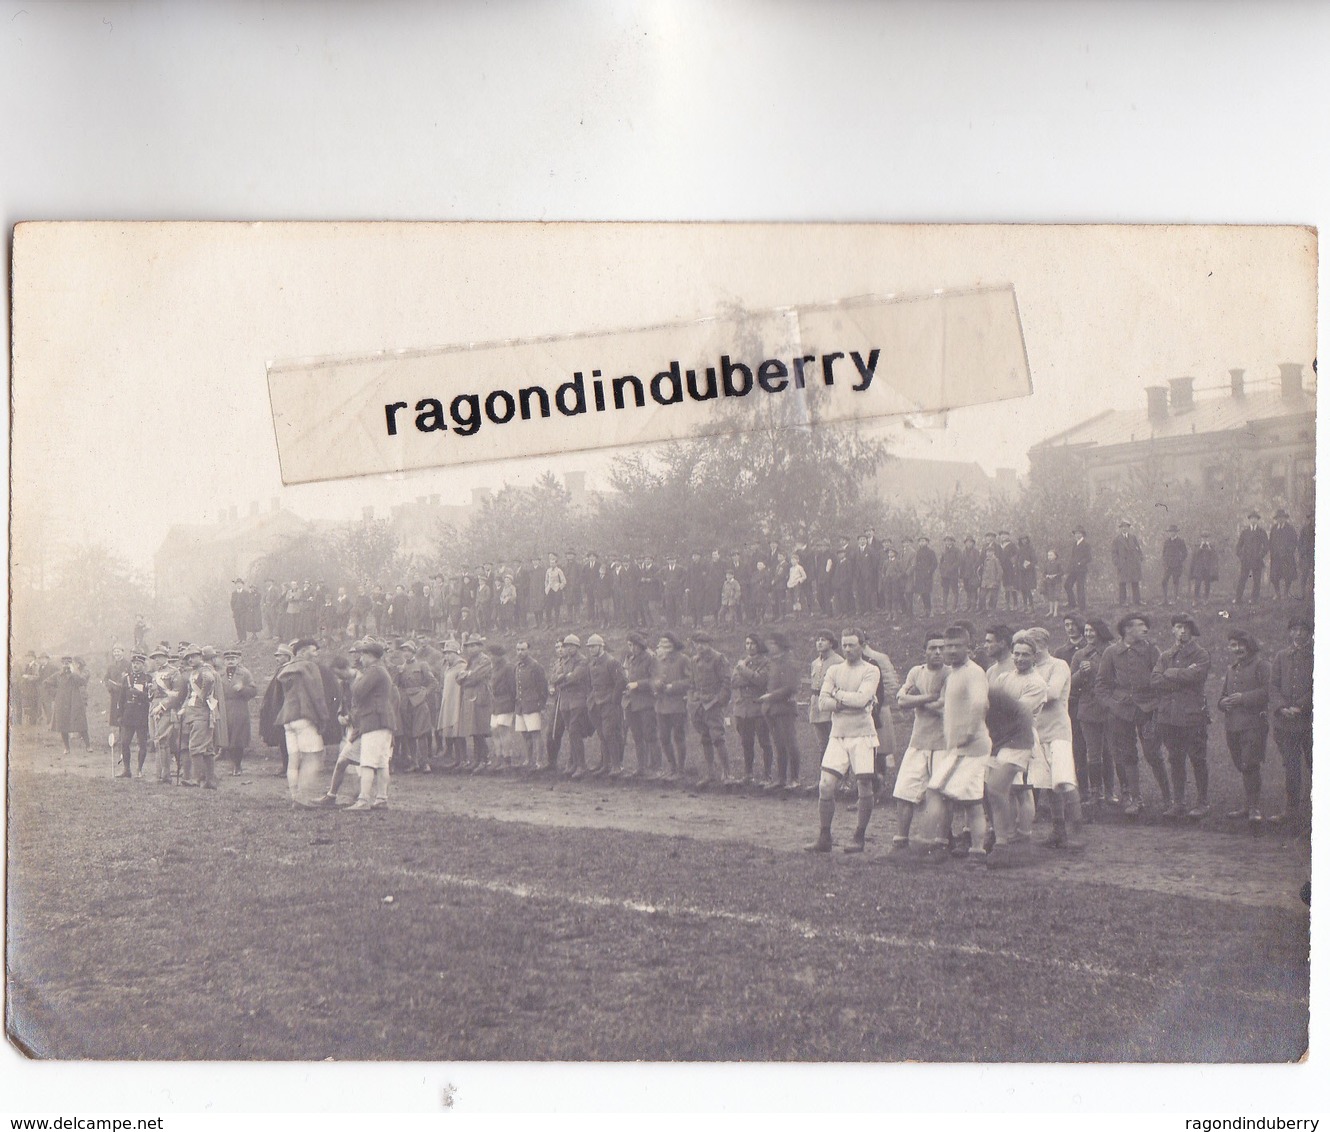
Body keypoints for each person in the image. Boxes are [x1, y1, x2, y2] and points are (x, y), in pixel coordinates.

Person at [904, 625, 992, 864]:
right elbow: (948, 705)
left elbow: (980, 705)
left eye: (956, 646)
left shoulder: (973, 673)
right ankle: (975, 852)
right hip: (962, 748)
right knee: (971, 802)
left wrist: (968, 733)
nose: (950, 651)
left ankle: (926, 844)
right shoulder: (954, 673)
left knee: (936, 791)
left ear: (969, 648)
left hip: (970, 747)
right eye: (947, 647)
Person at [806, 628, 882, 853]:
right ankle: (824, 836)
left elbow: (861, 700)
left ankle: (859, 836)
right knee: (826, 785)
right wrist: (841, 700)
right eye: (845, 645)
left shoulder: (871, 670)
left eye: (852, 645)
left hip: (862, 735)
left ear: (862, 645)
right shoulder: (834, 670)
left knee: (864, 784)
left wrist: (837, 695)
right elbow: (822, 703)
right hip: (838, 735)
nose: (848, 649)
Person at [1097, 613, 1170, 817]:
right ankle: (1136, 800)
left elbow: (1162, 677)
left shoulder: (1151, 650)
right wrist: (1112, 705)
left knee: (1152, 753)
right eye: (1140, 626)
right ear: (1127, 630)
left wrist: (1157, 704)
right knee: (1127, 755)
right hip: (1121, 713)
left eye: (1146, 625)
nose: (1145, 629)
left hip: (1148, 710)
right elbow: (1101, 684)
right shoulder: (1112, 652)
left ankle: (1168, 799)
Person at [985, 638, 1048, 865]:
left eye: (1025, 654)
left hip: (1022, 736)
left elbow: (1020, 711)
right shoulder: (1004, 677)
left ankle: (1023, 835)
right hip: (1001, 736)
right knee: (1002, 788)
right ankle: (1005, 832)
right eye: (1017, 654)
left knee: (1022, 788)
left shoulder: (1037, 683)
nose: (1020, 658)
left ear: (1034, 656)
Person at [1024, 627, 1086, 851]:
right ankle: (1058, 832)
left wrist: (1024, 694)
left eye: (1030, 646)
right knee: (1047, 784)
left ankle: (1077, 832)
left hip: (1058, 730)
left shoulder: (1058, 665)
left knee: (1064, 780)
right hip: (1037, 732)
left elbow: (1052, 694)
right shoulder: (1028, 669)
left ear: (1040, 646)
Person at [891, 633, 948, 853]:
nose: (937, 652)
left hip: (943, 742)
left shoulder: (950, 674)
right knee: (904, 790)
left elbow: (944, 707)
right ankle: (900, 840)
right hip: (918, 741)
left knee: (942, 794)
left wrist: (919, 701)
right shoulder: (916, 672)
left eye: (941, 648)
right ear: (924, 650)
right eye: (933, 648)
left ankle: (942, 842)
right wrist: (927, 697)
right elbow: (901, 700)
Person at [1151, 614, 1212, 818]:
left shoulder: (1200, 654)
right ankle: (1179, 802)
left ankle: (1203, 802)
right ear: (1173, 630)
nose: (1183, 631)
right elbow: (1155, 680)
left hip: (1192, 715)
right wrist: (1181, 674)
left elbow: (1197, 676)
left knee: (1197, 758)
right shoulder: (1166, 655)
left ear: (1192, 631)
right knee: (1175, 759)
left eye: (1187, 627)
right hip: (1168, 716)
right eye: (1179, 627)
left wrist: (1171, 673)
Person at [1217, 628, 1270, 825]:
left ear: (1249, 645)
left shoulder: (1262, 665)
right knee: (1241, 764)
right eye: (1233, 645)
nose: (1237, 649)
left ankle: (1254, 807)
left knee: (1250, 764)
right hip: (1233, 726)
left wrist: (1243, 698)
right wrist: (1223, 703)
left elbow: (1268, 691)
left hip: (1254, 724)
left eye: (1241, 644)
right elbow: (1221, 697)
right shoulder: (1232, 669)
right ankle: (1247, 806)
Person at [340, 638, 399, 811]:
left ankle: (363, 800)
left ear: (370, 655)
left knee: (367, 762)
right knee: (381, 763)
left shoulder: (374, 671)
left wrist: (355, 679)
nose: (361, 658)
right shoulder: (380, 670)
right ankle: (381, 798)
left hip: (374, 720)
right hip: (383, 721)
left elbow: (357, 692)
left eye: (363, 654)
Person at [1269, 615, 1313, 827]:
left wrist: (1301, 707)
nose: (1298, 634)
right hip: (1286, 722)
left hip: (1310, 722)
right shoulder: (1281, 656)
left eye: (1302, 629)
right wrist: (1282, 707)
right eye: (1294, 629)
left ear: (1310, 632)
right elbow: (1273, 685)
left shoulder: (1317, 655)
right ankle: (1292, 810)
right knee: (1292, 767)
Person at [278, 638, 331, 807]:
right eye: (313, 650)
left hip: (288, 719)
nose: (316, 654)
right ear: (302, 652)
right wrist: (323, 717)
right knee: (313, 756)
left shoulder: (285, 668)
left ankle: (295, 795)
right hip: (304, 716)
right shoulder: (309, 667)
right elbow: (317, 694)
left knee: (293, 760)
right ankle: (303, 797)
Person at [1070, 619, 1115, 808]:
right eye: (1086, 630)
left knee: (1111, 751)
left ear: (1100, 632)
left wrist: (1095, 669)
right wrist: (1081, 672)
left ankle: (1111, 792)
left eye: (1092, 631)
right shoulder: (1080, 655)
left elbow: (1117, 677)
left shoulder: (1111, 651)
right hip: (1088, 708)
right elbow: (1070, 682)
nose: (1088, 634)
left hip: (1110, 707)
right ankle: (1095, 793)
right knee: (1093, 753)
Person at [687, 631, 732, 787]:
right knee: (705, 738)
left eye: (702, 643)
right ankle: (710, 773)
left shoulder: (719, 659)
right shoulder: (694, 660)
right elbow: (692, 683)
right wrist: (693, 699)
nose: (699, 646)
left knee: (718, 737)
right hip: (699, 705)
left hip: (713, 704)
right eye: (696, 643)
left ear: (709, 643)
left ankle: (727, 773)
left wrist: (719, 701)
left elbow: (726, 683)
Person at [758, 631, 801, 792]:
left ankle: (795, 778)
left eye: (772, 644)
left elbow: (791, 687)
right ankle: (781, 778)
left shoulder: (789, 662)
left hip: (784, 708)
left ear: (780, 644)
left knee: (791, 744)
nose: (769, 647)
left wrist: (771, 696)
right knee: (779, 745)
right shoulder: (774, 662)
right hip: (771, 709)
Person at [173, 646, 219, 790]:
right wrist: (183, 708)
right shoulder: (193, 672)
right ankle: (210, 781)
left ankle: (197, 778)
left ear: (201, 656)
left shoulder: (205, 670)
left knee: (196, 747)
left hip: (202, 713)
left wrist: (204, 695)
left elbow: (210, 681)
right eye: (188, 658)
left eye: (193, 656)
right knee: (207, 749)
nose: (190, 659)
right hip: (192, 713)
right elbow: (189, 694)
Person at [547, 634, 592, 777]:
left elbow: (575, 677)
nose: (568, 648)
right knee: (571, 732)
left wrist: (562, 679)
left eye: (572, 646)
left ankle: (581, 765)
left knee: (574, 731)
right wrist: (563, 677)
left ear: (577, 647)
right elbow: (554, 678)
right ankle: (573, 763)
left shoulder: (583, 661)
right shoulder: (565, 662)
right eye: (567, 646)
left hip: (578, 701)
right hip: (565, 702)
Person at [731, 635, 773, 785]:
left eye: (753, 644)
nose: (749, 647)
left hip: (759, 707)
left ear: (759, 645)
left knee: (764, 742)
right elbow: (734, 682)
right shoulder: (742, 661)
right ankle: (748, 773)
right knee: (746, 742)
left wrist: (744, 671)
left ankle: (767, 774)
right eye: (747, 643)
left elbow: (761, 681)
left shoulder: (766, 662)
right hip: (742, 708)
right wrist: (751, 676)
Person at [585, 634, 626, 776]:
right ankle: (605, 764)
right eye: (589, 647)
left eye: (594, 646)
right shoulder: (592, 663)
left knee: (610, 733)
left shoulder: (611, 662)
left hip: (609, 703)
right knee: (602, 734)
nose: (591, 649)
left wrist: (614, 699)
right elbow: (590, 683)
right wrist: (591, 698)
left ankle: (616, 765)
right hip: (596, 704)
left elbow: (621, 681)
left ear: (601, 646)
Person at [395, 639, 439, 772]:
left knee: (421, 733)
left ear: (413, 651)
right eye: (404, 651)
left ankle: (425, 763)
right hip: (405, 703)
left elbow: (433, 682)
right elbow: (396, 684)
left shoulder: (422, 665)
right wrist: (399, 672)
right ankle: (414, 762)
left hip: (419, 702)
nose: (406, 653)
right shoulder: (400, 667)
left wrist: (425, 692)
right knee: (409, 734)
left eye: (408, 650)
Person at [621, 632, 660, 777]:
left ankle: (656, 768)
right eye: (629, 645)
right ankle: (641, 767)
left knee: (650, 735)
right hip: (631, 703)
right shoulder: (631, 660)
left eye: (633, 645)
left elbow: (655, 681)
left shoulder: (650, 658)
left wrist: (637, 684)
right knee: (637, 736)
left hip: (646, 703)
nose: (631, 648)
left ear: (639, 645)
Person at [215, 647, 258, 776]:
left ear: (238, 660)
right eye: (228, 659)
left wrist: (242, 689)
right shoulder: (219, 674)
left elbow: (253, 691)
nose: (230, 661)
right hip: (223, 707)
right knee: (224, 735)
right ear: (224, 661)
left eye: (233, 659)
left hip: (239, 707)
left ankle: (237, 765)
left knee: (237, 738)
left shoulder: (245, 673)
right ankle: (226, 758)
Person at [456, 634, 493, 772]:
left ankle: (485, 759)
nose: (471, 648)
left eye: (473, 645)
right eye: (469, 646)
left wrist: (467, 676)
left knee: (480, 729)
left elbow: (476, 677)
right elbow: (458, 679)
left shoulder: (485, 660)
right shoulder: (470, 661)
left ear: (479, 646)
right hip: (470, 697)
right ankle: (478, 759)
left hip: (480, 697)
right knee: (473, 730)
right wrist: (467, 675)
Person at [512, 639, 550, 770]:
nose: (520, 652)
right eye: (518, 650)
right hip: (520, 706)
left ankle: (539, 761)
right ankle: (529, 759)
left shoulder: (535, 666)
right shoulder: (517, 667)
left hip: (533, 705)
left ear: (528, 650)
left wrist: (541, 704)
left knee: (535, 733)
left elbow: (543, 687)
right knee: (524, 734)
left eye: (523, 649)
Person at [116, 652, 153, 778]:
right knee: (125, 742)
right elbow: (121, 698)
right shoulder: (127, 678)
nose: (135, 666)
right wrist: (120, 715)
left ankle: (139, 769)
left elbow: (150, 698)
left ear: (143, 665)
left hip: (141, 714)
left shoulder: (148, 679)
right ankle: (127, 769)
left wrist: (138, 693)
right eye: (134, 663)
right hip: (129, 714)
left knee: (142, 743)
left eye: (138, 663)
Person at [47, 656, 90, 755]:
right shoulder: (57, 675)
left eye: (68, 663)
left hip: (75, 702)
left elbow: (82, 682)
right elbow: (47, 683)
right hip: (62, 703)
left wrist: (73, 672)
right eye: (64, 663)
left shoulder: (75, 675)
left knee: (81, 723)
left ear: (71, 664)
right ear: (62, 664)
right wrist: (55, 693)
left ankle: (88, 746)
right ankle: (67, 748)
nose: (66, 666)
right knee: (63, 725)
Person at [435, 639, 466, 768]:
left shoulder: (462, 666)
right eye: (445, 654)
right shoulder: (448, 667)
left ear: (456, 653)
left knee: (458, 732)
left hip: (457, 702)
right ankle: (458, 759)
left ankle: (464, 759)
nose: (447, 656)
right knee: (451, 732)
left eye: (450, 653)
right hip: (448, 702)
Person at [1235, 511, 1269, 604]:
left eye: (1255, 518)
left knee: (1257, 580)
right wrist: (1241, 556)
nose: (1253, 520)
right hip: (1246, 560)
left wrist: (1260, 555)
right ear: (1249, 520)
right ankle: (1238, 598)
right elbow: (1238, 546)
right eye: (1252, 518)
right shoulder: (1245, 532)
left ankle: (1254, 599)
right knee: (1242, 579)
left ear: (1257, 520)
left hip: (1257, 560)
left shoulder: (1261, 532)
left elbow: (1266, 546)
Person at [1268, 509, 1299, 600]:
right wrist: (1273, 552)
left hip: (1287, 557)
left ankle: (1286, 593)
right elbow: (1271, 542)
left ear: (1285, 518)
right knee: (1274, 577)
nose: (1280, 520)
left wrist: (1289, 551)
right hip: (1276, 557)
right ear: (1276, 519)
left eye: (1282, 518)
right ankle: (1277, 593)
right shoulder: (1274, 528)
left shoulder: (1290, 529)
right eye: (1278, 518)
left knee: (1288, 576)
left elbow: (1294, 542)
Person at [1111, 520, 1144, 605]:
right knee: (1122, 583)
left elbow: (1138, 548)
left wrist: (1140, 557)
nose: (1124, 529)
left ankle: (1137, 601)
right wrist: (1117, 563)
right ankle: (1123, 601)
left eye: (1126, 527)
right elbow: (1114, 552)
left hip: (1133, 563)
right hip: (1123, 564)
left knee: (1135, 582)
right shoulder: (1117, 540)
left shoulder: (1133, 537)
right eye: (1122, 527)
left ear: (1128, 528)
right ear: (1120, 529)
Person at [1160, 525, 1188, 605]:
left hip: (1177, 566)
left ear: (1176, 532)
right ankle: (1165, 600)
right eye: (1170, 532)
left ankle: (1175, 599)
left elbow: (1185, 553)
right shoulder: (1167, 542)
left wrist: (1180, 560)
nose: (1171, 533)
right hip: (1168, 566)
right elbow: (1164, 553)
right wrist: (1165, 562)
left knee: (1175, 582)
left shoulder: (1180, 541)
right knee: (1164, 581)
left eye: (1173, 531)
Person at [1064, 528, 1091, 611]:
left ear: (1082, 534)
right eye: (1075, 533)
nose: (1077, 535)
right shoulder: (1075, 544)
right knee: (1067, 585)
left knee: (1080, 588)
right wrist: (1069, 568)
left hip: (1081, 570)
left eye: (1079, 533)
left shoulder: (1086, 544)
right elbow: (1072, 557)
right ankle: (1072, 603)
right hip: (1073, 569)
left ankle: (1082, 607)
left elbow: (1089, 558)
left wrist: (1080, 563)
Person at [1190, 531, 1219, 604]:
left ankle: (1206, 599)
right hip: (1199, 569)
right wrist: (1200, 547)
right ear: (1201, 538)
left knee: (1207, 584)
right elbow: (1195, 555)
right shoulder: (1197, 546)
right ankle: (1195, 599)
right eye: (1203, 538)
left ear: (1208, 539)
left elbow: (1214, 556)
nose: (1205, 540)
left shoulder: (1211, 547)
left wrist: (1209, 547)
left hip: (1207, 568)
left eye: (1206, 538)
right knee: (1197, 584)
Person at [1041, 549, 1063, 618]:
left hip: (1057, 582)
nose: (1049, 557)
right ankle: (1051, 610)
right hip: (1049, 582)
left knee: (1056, 596)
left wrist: (1055, 575)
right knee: (1050, 596)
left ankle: (1055, 611)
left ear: (1055, 556)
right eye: (1048, 555)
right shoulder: (1047, 564)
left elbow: (1062, 572)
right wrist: (1047, 576)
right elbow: (1044, 573)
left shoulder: (1058, 564)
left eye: (1051, 555)